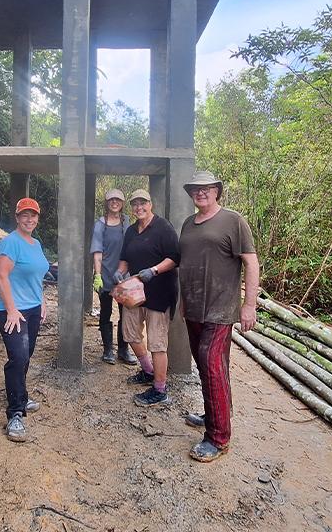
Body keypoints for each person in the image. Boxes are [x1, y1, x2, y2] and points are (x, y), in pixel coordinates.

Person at [177, 170, 260, 462]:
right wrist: (184, 301)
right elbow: (186, 263)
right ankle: (215, 414)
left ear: (216, 191)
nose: (201, 193)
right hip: (194, 306)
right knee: (207, 364)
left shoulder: (233, 221)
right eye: (196, 189)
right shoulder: (188, 224)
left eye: (207, 188)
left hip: (221, 308)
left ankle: (218, 438)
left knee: (211, 364)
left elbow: (251, 263)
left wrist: (249, 305)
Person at [115, 188, 179, 407]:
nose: (139, 207)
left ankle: (160, 390)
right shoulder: (132, 231)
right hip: (134, 292)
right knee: (130, 333)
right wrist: (120, 271)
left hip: (159, 293)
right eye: (135, 204)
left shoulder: (163, 227)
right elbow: (125, 257)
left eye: (143, 203)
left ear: (150, 204)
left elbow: (174, 258)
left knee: (157, 342)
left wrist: (154, 270)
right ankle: (149, 371)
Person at [0, 197, 50, 442]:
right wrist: (12, 309)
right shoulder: (10, 242)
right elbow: (1, 276)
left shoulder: (36, 243)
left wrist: (43, 301)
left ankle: (22, 396)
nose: (30, 219)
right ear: (17, 217)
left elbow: (37, 276)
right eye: (25, 215)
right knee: (18, 357)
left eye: (33, 215)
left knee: (27, 354)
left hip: (33, 307)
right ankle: (15, 413)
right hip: (12, 309)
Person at [90, 188, 138, 366]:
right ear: (107, 203)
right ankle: (108, 350)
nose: (114, 202)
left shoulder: (127, 223)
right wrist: (97, 275)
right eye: (111, 200)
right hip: (106, 275)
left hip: (124, 276)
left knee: (126, 313)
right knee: (105, 312)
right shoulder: (100, 224)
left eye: (118, 200)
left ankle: (123, 350)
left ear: (122, 203)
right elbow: (97, 252)